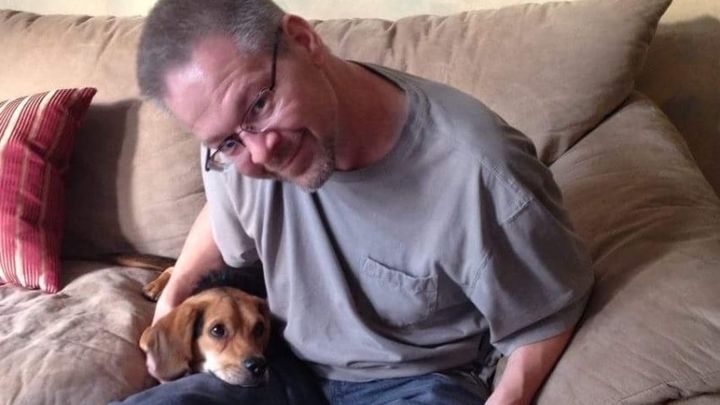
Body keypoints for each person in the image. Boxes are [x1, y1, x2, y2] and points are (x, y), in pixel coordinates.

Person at [123, 0, 595, 403]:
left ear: (304, 41)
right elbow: (227, 211)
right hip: (283, 364)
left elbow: (546, 317)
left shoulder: (481, 175)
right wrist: (175, 294)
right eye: (227, 142)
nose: (261, 152)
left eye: (260, 105)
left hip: (416, 382)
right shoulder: (233, 150)